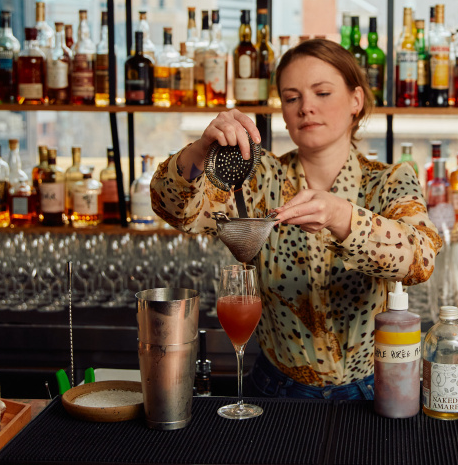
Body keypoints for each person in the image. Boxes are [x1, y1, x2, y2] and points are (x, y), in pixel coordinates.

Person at [151, 38, 442, 399]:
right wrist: (199, 151)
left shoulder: (389, 180)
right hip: (276, 389)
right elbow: (175, 210)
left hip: (372, 390)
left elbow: (420, 260)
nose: (306, 107)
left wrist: (340, 215)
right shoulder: (259, 178)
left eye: (322, 93)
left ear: (356, 100)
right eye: (292, 98)